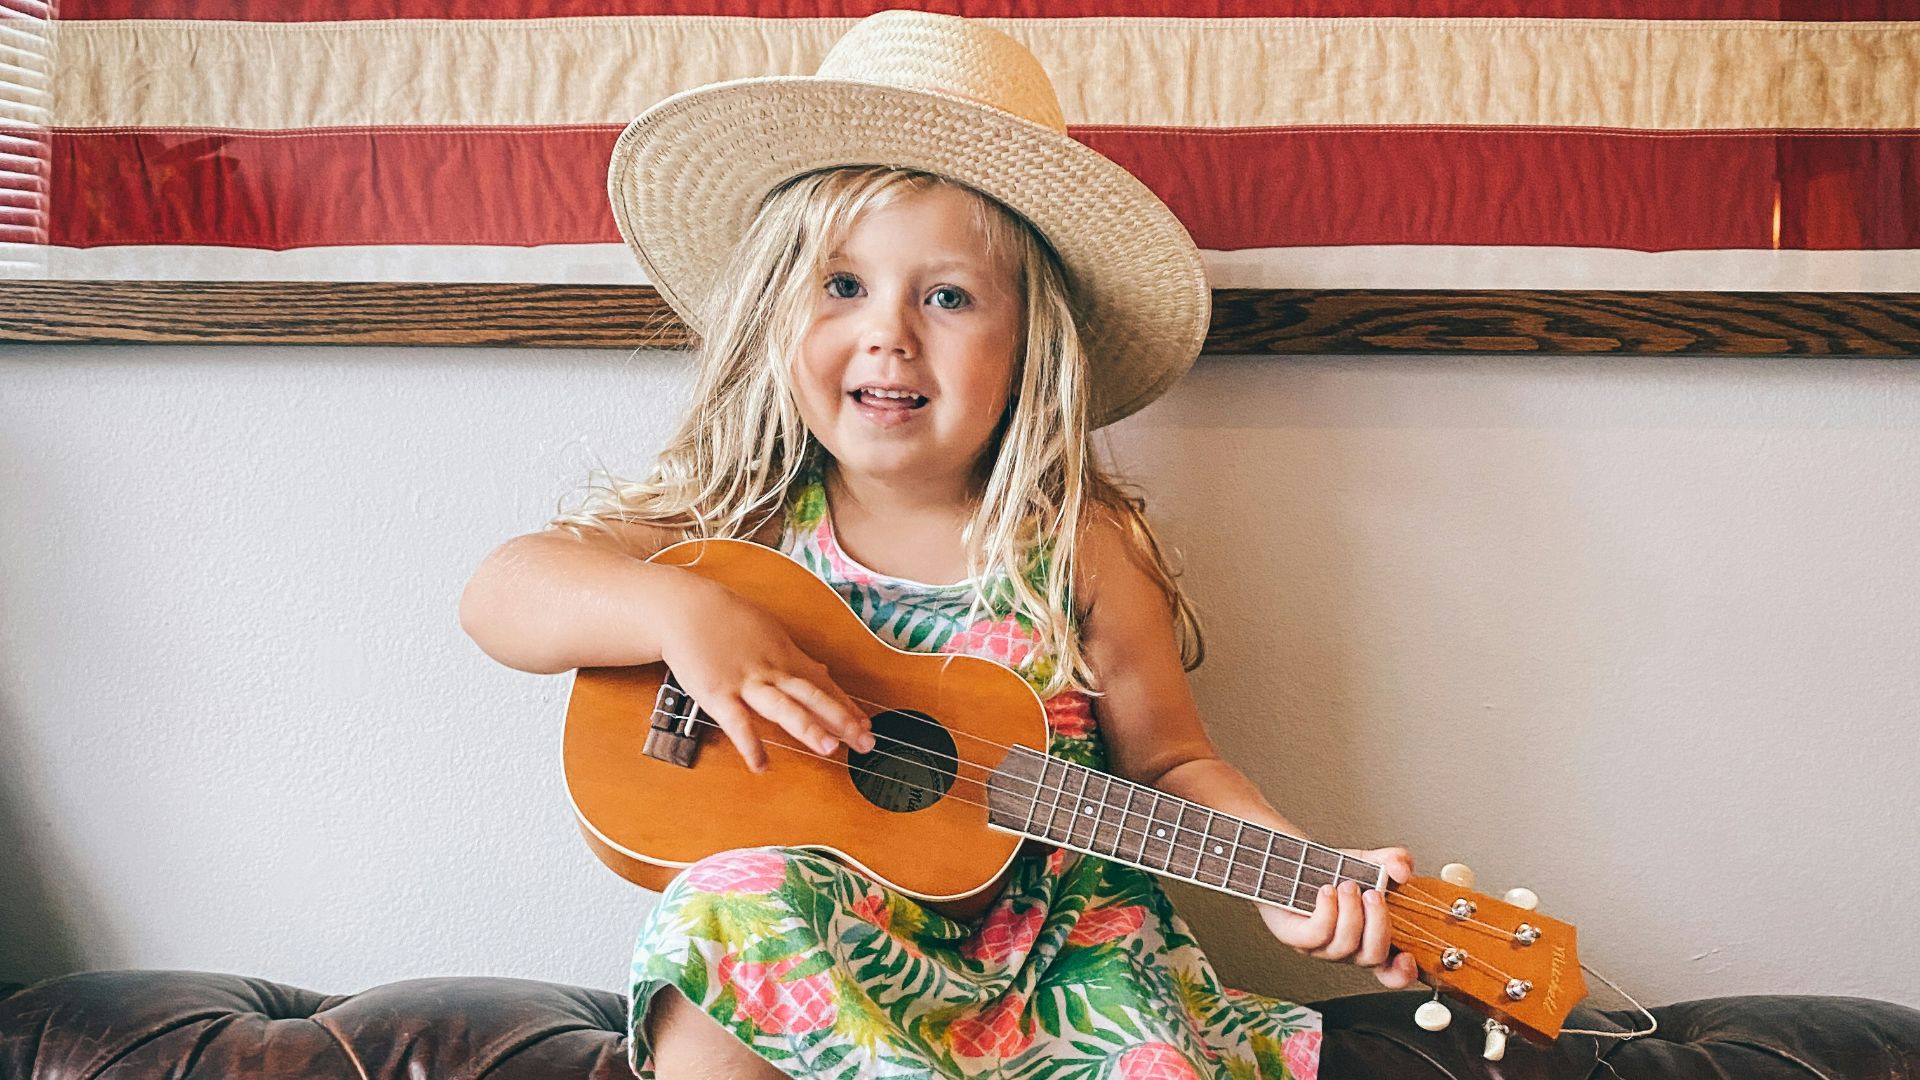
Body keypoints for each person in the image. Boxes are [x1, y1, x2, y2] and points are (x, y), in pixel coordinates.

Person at [460, 10, 1415, 1079]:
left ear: (1031, 345)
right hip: (835, 955)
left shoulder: (1079, 549)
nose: (889, 332)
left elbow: (1170, 760)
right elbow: (503, 593)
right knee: (723, 916)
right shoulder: (744, 524)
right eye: (841, 285)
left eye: (948, 296)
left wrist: (1288, 871)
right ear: (777, 317)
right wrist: (690, 614)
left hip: (1060, 969)